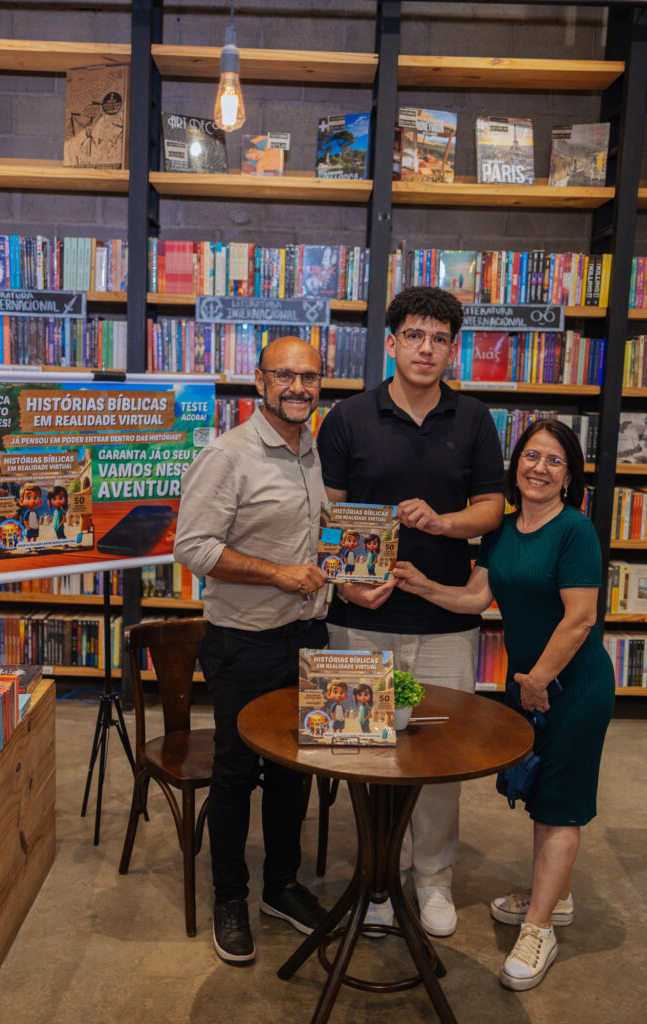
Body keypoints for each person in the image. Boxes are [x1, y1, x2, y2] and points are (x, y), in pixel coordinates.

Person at [393, 418, 615, 990]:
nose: (540, 468)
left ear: (570, 476)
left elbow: (581, 619)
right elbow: (475, 598)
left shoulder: (576, 531)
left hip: (573, 686)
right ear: (515, 468)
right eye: (532, 456)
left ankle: (539, 929)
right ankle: (554, 895)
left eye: (555, 460)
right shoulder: (504, 530)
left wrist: (537, 680)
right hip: (532, 686)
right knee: (540, 794)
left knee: (560, 805)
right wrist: (422, 584)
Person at [317, 285, 504, 937]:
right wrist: (345, 586)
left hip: (446, 621)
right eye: (415, 336)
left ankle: (433, 878)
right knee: (363, 753)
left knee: (440, 759)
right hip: (360, 619)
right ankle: (378, 876)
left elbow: (492, 509)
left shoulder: (474, 419)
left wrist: (446, 522)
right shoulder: (347, 418)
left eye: (440, 339)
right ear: (392, 342)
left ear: (454, 350)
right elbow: (329, 513)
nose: (427, 348)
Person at [173, 336, 330, 965]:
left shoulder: (310, 450)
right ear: (259, 382)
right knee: (237, 773)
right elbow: (193, 547)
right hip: (243, 643)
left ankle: (281, 887)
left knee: (294, 770)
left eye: (309, 377)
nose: (298, 387)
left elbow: (310, 538)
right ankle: (230, 898)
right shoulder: (227, 454)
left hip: (306, 639)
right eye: (285, 376)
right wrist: (277, 575)